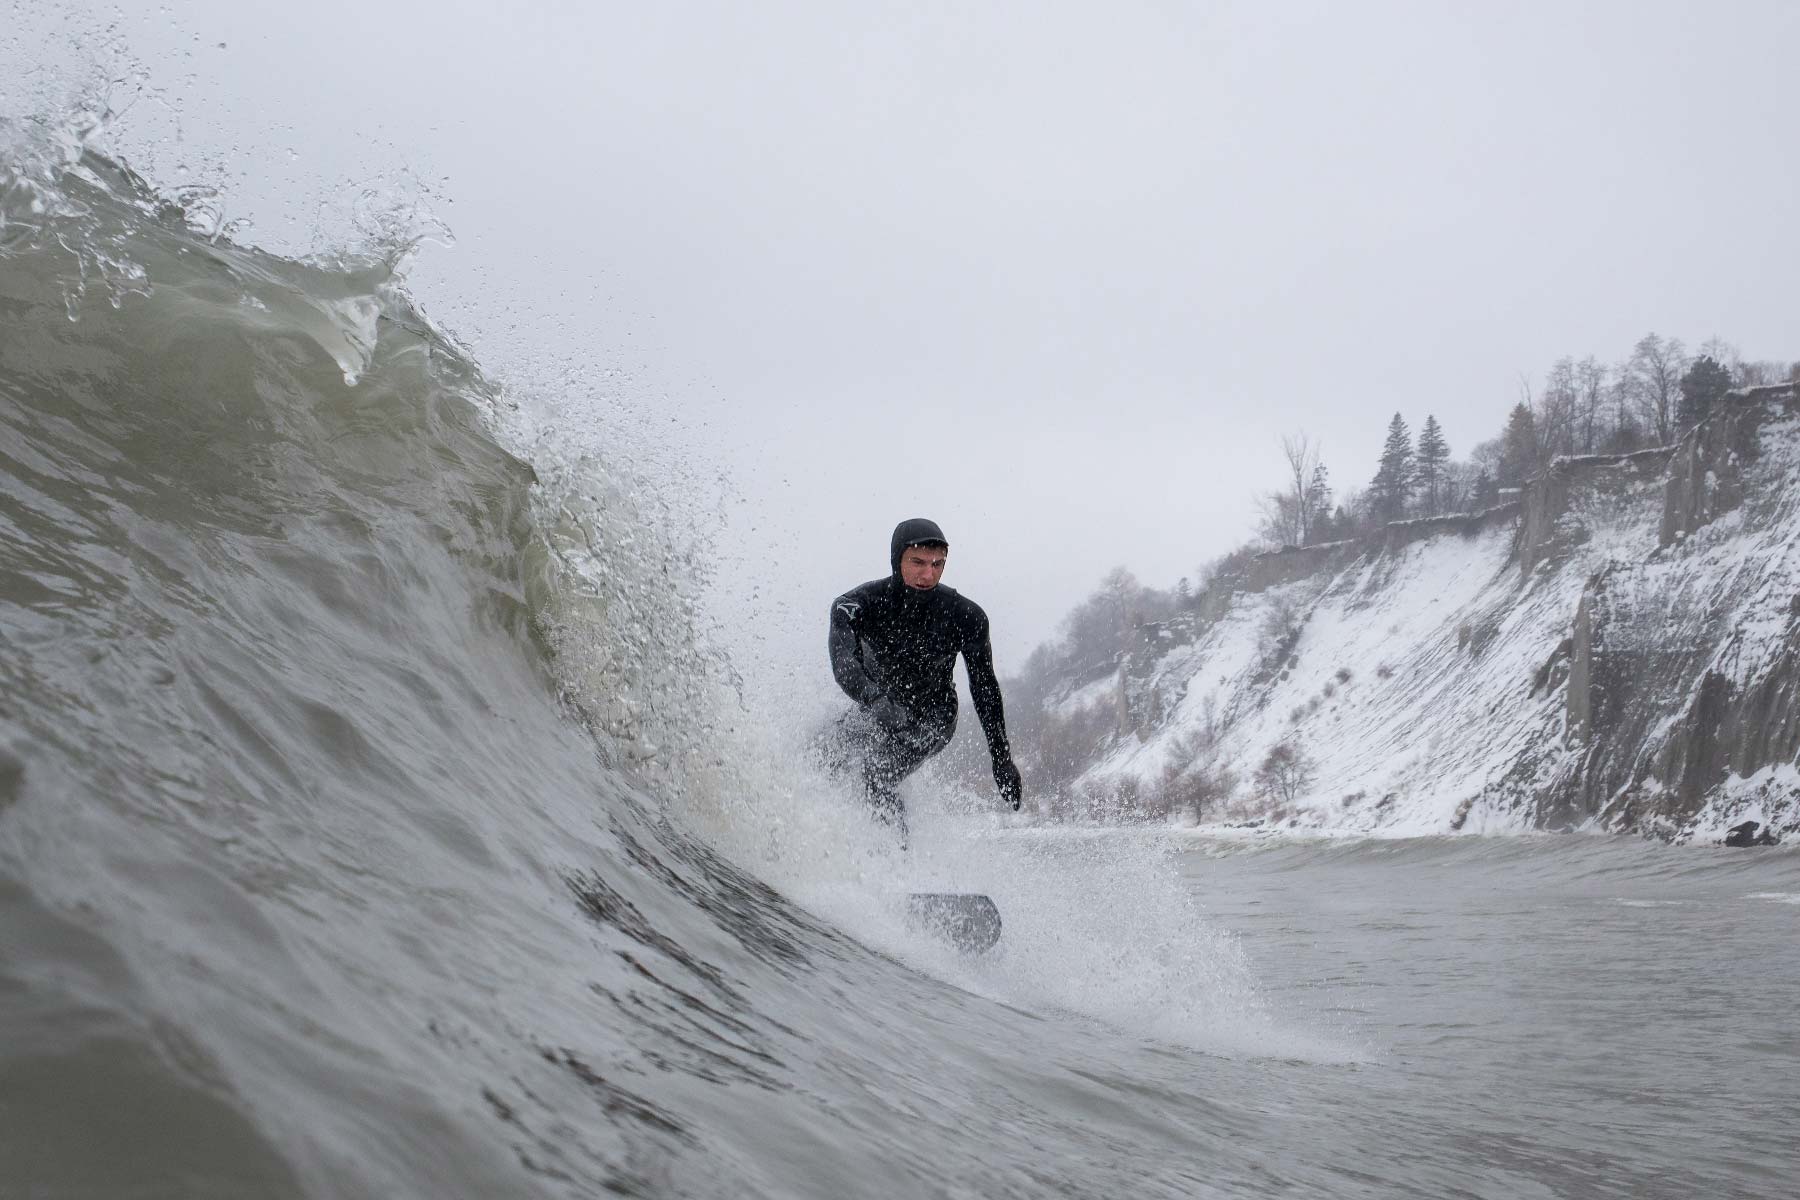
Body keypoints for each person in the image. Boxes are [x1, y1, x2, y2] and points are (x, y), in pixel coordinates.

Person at [822, 518, 1023, 844]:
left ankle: (896, 871)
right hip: (878, 705)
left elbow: (984, 687)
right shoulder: (858, 605)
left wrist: (1001, 759)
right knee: (821, 757)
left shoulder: (965, 616)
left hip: (933, 717)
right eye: (917, 562)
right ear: (896, 559)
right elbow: (845, 664)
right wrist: (876, 701)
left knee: (877, 776)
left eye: (937, 564)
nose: (928, 574)